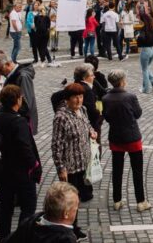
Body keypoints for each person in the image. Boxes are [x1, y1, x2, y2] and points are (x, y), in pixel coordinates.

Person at [0, 85, 42, 238]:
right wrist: (35, 165)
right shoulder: (19, 122)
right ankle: (21, 238)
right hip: (22, 172)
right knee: (28, 207)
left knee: (5, 208)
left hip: (2, 170)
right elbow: (25, 147)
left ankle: (4, 238)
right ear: (18, 100)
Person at [51, 83, 96, 241]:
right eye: (75, 97)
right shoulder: (61, 117)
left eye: (81, 96)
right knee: (69, 201)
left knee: (78, 198)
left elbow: (87, 123)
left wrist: (91, 132)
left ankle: (74, 227)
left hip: (83, 163)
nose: (79, 100)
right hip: (70, 167)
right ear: (67, 99)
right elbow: (56, 145)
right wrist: (61, 168)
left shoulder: (82, 110)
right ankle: (71, 229)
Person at [101, 69, 151, 212]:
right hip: (132, 137)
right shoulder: (130, 97)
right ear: (122, 81)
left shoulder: (105, 98)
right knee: (137, 170)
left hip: (115, 137)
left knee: (117, 169)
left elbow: (107, 117)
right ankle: (140, 201)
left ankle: (117, 200)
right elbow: (138, 113)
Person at [2, 181, 80, 242]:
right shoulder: (65, 239)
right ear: (66, 213)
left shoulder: (32, 221)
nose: (76, 211)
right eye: (76, 208)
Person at [0, 53, 38, 134]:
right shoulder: (13, 75)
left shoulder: (22, 77)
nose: (0, 73)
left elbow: (25, 106)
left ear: (8, 64)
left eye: (0, 70)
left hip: (23, 123)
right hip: (16, 121)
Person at [136, 12, 153, 93]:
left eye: (139, 19)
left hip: (146, 50)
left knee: (144, 70)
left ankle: (146, 89)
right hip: (152, 50)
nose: (138, 20)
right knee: (147, 68)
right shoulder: (151, 27)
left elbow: (141, 38)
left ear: (142, 20)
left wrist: (137, 38)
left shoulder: (143, 28)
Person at [34, 3, 55, 68]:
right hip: (38, 34)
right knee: (40, 47)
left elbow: (48, 26)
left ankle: (43, 60)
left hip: (44, 34)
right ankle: (48, 59)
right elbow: (36, 26)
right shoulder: (36, 17)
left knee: (43, 47)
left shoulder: (46, 17)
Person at [26, 0, 41, 64]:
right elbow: (28, 20)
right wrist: (32, 24)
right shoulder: (30, 13)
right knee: (34, 45)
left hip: (38, 30)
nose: (36, 6)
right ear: (33, 6)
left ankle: (42, 57)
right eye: (35, 5)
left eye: (37, 5)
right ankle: (35, 58)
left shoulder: (40, 13)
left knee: (39, 45)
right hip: (32, 30)